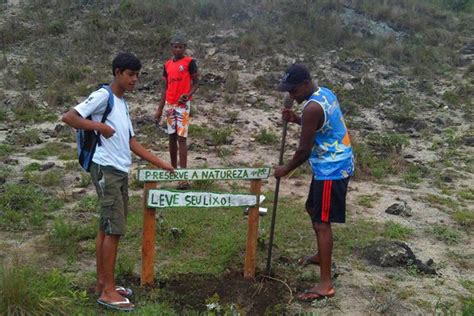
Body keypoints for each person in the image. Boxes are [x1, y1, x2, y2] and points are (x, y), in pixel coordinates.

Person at [62, 52, 174, 312]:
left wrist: (163, 163)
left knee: (106, 225)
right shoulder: (104, 96)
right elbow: (70, 117)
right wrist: (98, 128)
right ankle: (108, 292)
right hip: (106, 169)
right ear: (117, 73)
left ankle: (103, 283)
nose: (135, 79)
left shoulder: (122, 104)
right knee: (114, 228)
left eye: (137, 75)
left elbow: (131, 142)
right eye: (130, 75)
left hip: (119, 170)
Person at [274, 64, 354, 302]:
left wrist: (284, 170)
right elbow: (321, 126)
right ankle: (321, 256)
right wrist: (297, 119)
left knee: (321, 222)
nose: (291, 95)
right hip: (329, 164)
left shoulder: (312, 107)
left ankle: (325, 284)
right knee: (312, 209)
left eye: (294, 90)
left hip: (332, 169)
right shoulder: (324, 93)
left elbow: (303, 151)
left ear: (306, 85)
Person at [155, 35, 199, 189]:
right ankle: (173, 169)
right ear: (171, 47)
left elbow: (197, 82)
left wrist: (188, 94)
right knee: (171, 137)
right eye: (175, 46)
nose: (178, 49)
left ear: (185, 48)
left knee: (182, 138)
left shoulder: (189, 62)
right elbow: (164, 87)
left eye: (181, 47)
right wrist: (160, 109)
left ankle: (184, 175)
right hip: (170, 105)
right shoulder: (167, 65)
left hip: (182, 106)